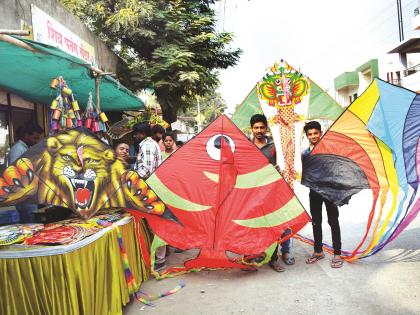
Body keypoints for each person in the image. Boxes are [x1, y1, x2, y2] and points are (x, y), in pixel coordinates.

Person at [250, 114, 294, 272]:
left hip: (273, 192)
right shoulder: (247, 145)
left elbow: (285, 164)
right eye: (256, 128)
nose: (259, 130)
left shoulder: (274, 145)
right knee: (255, 226)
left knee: (274, 225)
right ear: (251, 129)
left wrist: (279, 170)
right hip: (253, 192)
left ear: (266, 128)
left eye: (262, 127)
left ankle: (274, 258)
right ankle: (254, 255)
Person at [302, 121, 343, 268]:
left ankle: (337, 253)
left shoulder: (330, 150)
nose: (313, 136)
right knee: (316, 221)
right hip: (314, 193)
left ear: (321, 133)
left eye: (315, 133)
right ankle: (318, 251)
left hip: (330, 192)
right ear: (306, 136)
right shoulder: (305, 154)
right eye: (310, 134)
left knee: (333, 221)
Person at [132, 122, 166, 270]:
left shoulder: (147, 146)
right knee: (156, 223)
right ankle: (159, 256)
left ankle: (160, 259)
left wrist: (130, 180)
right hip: (154, 189)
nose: (134, 136)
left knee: (155, 225)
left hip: (150, 190)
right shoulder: (151, 144)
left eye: (136, 134)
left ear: (142, 134)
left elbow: (145, 170)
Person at [8, 123, 44, 223]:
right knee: (30, 223)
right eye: (35, 138)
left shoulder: (26, 148)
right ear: (26, 135)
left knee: (33, 221)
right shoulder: (18, 149)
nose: (37, 141)